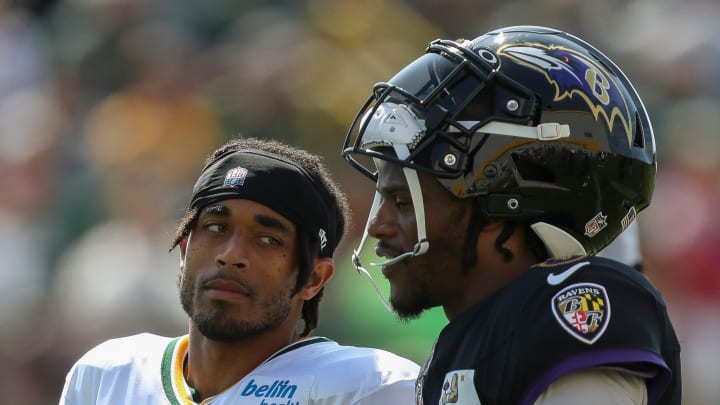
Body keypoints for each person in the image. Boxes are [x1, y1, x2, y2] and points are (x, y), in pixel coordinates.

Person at [341, 25, 680, 404]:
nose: (376, 225)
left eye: (403, 202)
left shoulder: (566, 305)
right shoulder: (457, 350)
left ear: (498, 206)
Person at [59, 137, 420, 404]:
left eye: (267, 239)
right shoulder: (105, 376)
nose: (231, 256)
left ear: (313, 278)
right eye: (216, 228)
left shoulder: (372, 388)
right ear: (184, 249)